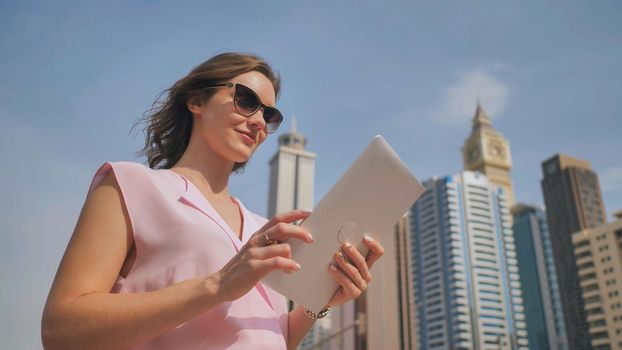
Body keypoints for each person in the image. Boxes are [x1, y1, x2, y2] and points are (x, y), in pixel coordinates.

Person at [41, 52, 384, 350]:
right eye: (247, 100)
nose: (259, 122)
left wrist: (318, 299)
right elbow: (61, 329)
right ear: (196, 101)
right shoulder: (131, 184)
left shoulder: (261, 226)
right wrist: (218, 285)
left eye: (269, 116)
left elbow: (269, 339)